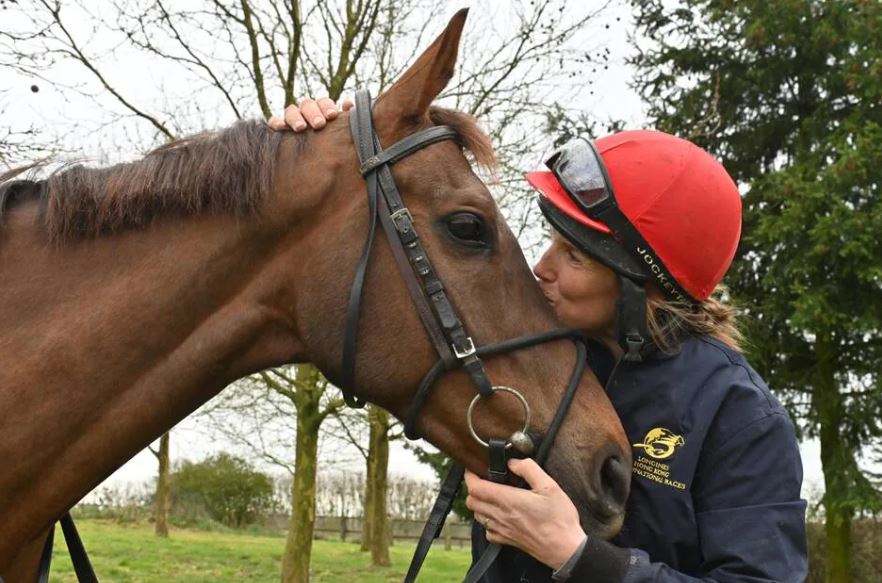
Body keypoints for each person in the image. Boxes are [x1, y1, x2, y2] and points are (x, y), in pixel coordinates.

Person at [269, 101, 808, 582]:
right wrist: (332, 150)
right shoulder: (539, 356)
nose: (541, 268)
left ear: (637, 284)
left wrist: (580, 557)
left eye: (573, 255)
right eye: (551, 242)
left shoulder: (740, 418)